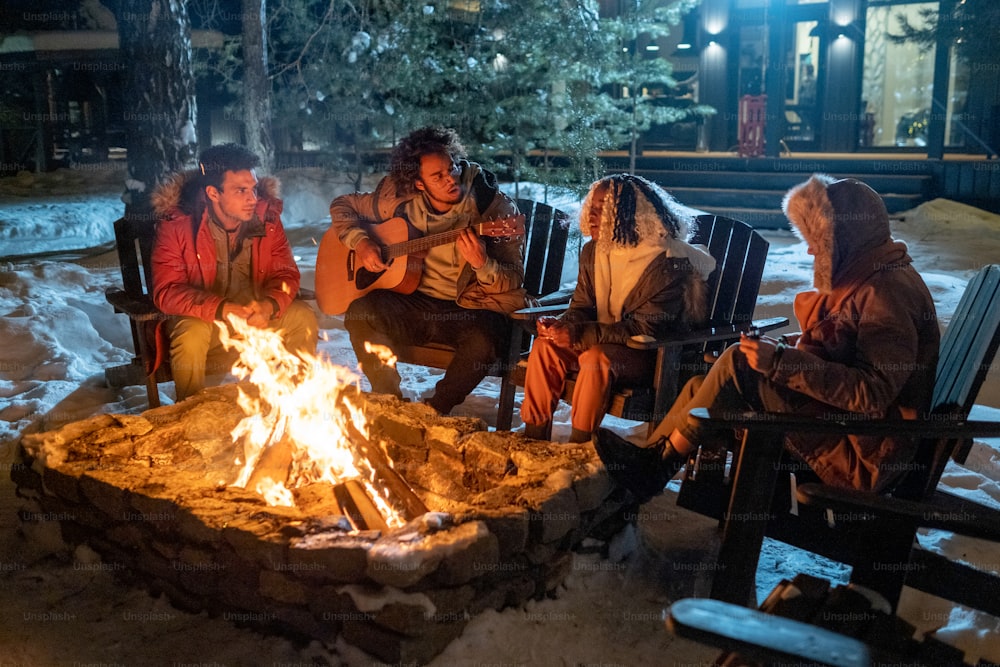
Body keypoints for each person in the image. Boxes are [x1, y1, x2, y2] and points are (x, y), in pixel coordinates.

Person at [595, 174, 940, 502]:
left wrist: (779, 362)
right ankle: (646, 465)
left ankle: (654, 468)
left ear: (847, 237)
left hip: (862, 455)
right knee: (700, 387)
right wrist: (784, 348)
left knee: (735, 364)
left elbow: (872, 393)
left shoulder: (884, 292)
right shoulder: (870, 275)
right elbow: (846, 350)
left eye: (818, 242)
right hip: (846, 430)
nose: (810, 253)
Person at [328, 126, 525, 414]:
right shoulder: (395, 197)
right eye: (438, 176)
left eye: (453, 168)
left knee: (484, 340)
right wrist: (361, 242)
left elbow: (514, 281)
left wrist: (483, 264)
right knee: (361, 312)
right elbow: (342, 205)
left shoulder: (493, 208)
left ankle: (434, 410)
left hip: (471, 308)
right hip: (414, 302)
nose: (451, 179)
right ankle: (388, 401)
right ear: (418, 184)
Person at [520, 174, 716, 443]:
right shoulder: (594, 250)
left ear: (632, 213)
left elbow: (644, 329)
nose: (592, 214)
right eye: (593, 205)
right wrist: (563, 325)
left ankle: (578, 447)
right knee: (544, 347)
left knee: (595, 360)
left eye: (604, 208)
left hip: (650, 355)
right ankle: (533, 439)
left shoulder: (666, 262)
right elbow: (582, 304)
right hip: (600, 341)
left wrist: (578, 334)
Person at [151, 143, 318, 401]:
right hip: (208, 323)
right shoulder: (178, 224)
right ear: (213, 193)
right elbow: (167, 292)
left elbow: (286, 274)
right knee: (190, 333)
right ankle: (190, 414)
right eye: (241, 191)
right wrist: (222, 308)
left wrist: (270, 305)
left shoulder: (267, 219)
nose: (253, 198)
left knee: (301, 317)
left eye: (252, 188)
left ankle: (296, 405)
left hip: (256, 319)